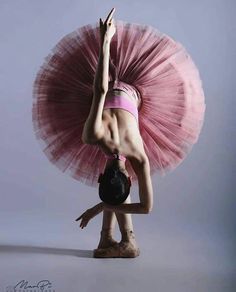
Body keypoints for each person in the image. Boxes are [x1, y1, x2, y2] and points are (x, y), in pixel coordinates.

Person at [32, 8, 205, 258]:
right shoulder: (95, 135)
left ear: (126, 174)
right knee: (117, 192)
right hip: (134, 86)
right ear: (106, 176)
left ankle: (112, 239)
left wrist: (106, 41)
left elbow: (146, 207)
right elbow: (101, 90)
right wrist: (105, 41)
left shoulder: (134, 155)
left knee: (117, 192)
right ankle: (119, 240)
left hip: (129, 91)